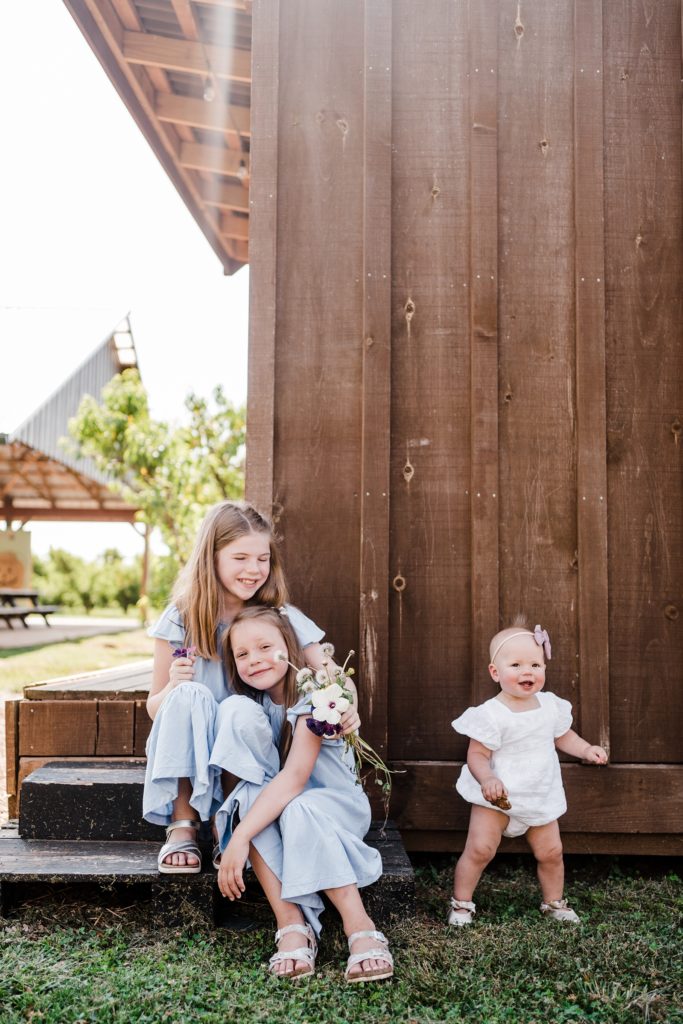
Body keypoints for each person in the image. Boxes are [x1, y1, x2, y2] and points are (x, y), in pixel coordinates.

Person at [143, 500, 360, 873]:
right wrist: (173, 688)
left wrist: (347, 704)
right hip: (195, 742)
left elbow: (333, 675)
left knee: (239, 713)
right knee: (189, 694)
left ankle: (231, 824)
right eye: (240, 557)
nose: (254, 569)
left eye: (263, 559)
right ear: (210, 558)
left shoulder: (279, 617)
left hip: (254, 742)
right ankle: (183, 825)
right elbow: (154, 707)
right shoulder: (182, 619)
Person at [214, 605, 393, 983]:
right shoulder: (255, 707)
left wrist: (241, 837)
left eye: (265, 647)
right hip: (289, 809)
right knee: (250, 801)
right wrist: (233, 827)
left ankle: (358, 925)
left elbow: (295, 778)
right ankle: (292, 926)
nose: (255, 660)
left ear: (289, 648)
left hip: (335, 809)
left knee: (296, 808)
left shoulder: (316, 694)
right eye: (242, 654)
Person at [449, 619, 608, 926]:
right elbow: (477, 755)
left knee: (551, 852)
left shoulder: (550, 707)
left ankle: (554, 902)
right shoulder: (491, 714)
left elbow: (564, 737)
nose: (528, 671)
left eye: (536, 664)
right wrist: (488, 779)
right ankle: (462, 903)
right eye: (517, 665)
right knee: (480, 850)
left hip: (539, 793)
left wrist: (586, 749)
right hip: (497, 797)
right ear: (495, 673)